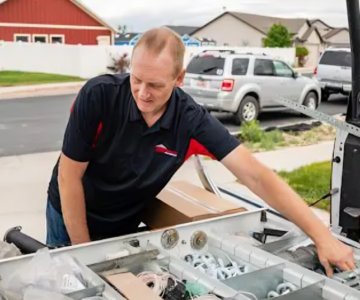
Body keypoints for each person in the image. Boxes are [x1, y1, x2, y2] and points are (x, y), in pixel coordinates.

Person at [46, 27, 354, 277]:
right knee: (68, 283)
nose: (141, 93)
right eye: (136, 79)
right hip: (70, 215)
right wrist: (82, 256)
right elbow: (69, 176)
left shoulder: (191, 121)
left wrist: (323, 238)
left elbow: (257, 177)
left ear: (179, 79)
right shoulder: (97, 97)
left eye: (155, 84)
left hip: (123, 222)